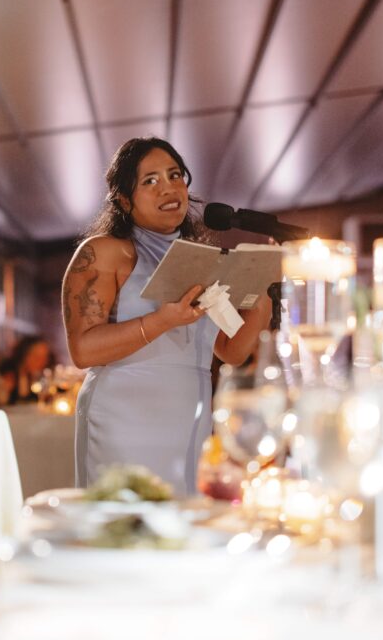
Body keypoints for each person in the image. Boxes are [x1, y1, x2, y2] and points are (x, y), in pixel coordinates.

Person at [62, 136, 271, 495]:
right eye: (150, 180)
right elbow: (83, 350)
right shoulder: (103, 252)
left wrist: (262, 289)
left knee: (184, 519)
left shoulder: (203, 260)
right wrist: (163, 320)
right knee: (126, 518)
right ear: (124, 200)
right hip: (122, 416)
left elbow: (230, 351)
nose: (168, 188)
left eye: (175, 175)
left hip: (189, 415)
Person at [3, 334, 53, 404]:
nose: (42, 362)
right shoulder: (8, 372)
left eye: (44, 357)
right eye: (36, 356)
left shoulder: (39, 376)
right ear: (25, 354)